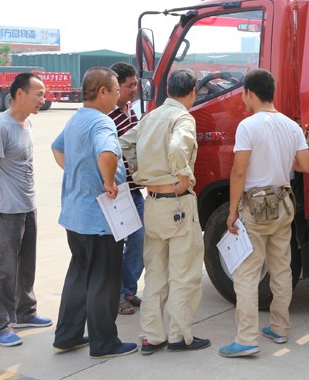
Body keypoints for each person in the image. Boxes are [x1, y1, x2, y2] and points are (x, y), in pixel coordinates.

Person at [219, 69, 309, 358]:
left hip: (255, 207)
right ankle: (280, 328)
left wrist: (232, 211)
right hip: (283, 204)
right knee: (281, 267)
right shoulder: (291, 126)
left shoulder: (248, 126)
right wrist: (282, 162)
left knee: (247, 273)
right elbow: (306, 166)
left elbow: (239, 171)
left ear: (249, 93)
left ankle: (246, 338)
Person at [119, 69, 210, 356]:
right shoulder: (182, 117)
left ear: (168, 89)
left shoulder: (150, 117)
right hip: (177, 202)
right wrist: (182, 174)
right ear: (193, 91)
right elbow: (178, 145)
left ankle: (151, 336)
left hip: (153, 201)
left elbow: (123, 143)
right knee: (184, 273)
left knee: (156, 272)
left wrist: (136, 170)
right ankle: (180, 336)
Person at [51, 67, 137, 358]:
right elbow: (108, 153)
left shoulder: (76, 119)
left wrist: (78, 173)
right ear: (102, 91)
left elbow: (57, 148)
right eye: (115, 90)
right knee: (104, 279)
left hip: (75, 215)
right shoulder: (103, 122)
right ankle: (104, 342)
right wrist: (108, 181)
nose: (118, 96)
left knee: (79, 275)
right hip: (99, 218)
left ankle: (67, 335)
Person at [0, 72, 51, 347]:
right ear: (20, 94)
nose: (43, 100)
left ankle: (25, 312)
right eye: (39, 94)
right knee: (4, 269)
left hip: (27, 206)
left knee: (26, 265)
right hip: (5, 210)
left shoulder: (26, 124)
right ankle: (0, 326)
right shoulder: (1, 127)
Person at [108, 62, 144, 316]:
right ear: (114, 87)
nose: (134, 89)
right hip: (118, 192)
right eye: (129, 85)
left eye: (135, 84)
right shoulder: (106, 116)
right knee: (118, 244)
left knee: (139, 241)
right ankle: (119, 296)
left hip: (135, 189)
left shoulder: (130, 109)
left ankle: (129, 290)